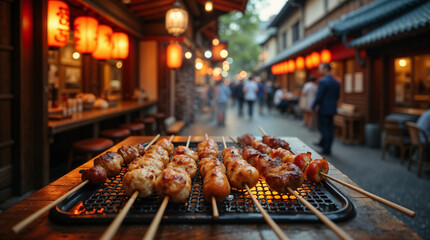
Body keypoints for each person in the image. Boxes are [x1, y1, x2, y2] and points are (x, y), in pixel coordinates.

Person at [311, 63, 340, 155]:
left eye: (320, 68)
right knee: (330, 128)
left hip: (324, 108)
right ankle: (323, 144)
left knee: (324, 128)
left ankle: (326, 148)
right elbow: (337, 96)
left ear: (326, 69)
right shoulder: (336, 81)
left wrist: (313, 106)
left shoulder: (323, 81)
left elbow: (319, 96)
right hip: (332, 108)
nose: (319, 70)